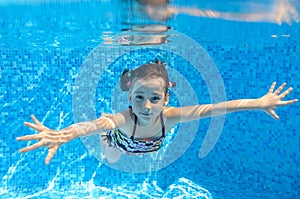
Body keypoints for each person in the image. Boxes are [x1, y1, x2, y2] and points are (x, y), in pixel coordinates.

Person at [17, 61, 298, 164]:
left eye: (154, 98)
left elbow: (216, 108)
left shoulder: (171, 115)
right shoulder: (125, 117)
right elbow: (90, 125)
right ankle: (109, 139)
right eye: (139, 98)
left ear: (166, 98)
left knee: (147, 153)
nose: (146, 106)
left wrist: (258, 102)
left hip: (151, 146)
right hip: (121, 141)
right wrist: (64, 136)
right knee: (111, 156)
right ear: (129, 97)